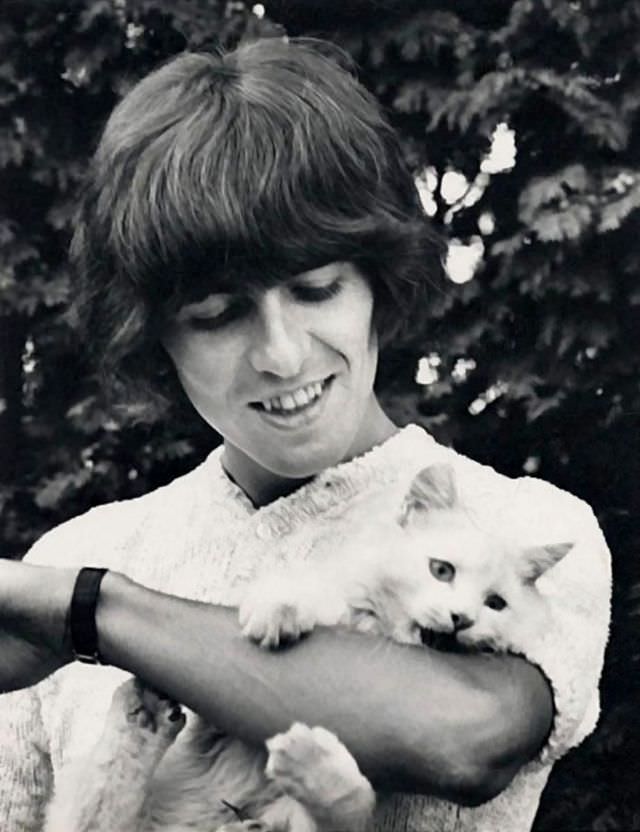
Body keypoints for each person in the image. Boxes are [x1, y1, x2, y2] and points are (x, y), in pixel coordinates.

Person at [0, 37, 610, 831]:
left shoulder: (524, 528)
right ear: (155, 337)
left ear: (375, 286)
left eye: (317, 289)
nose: (282, 355)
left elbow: (460, 738)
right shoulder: (80, 548)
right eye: (217, 314)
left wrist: (88, 611)